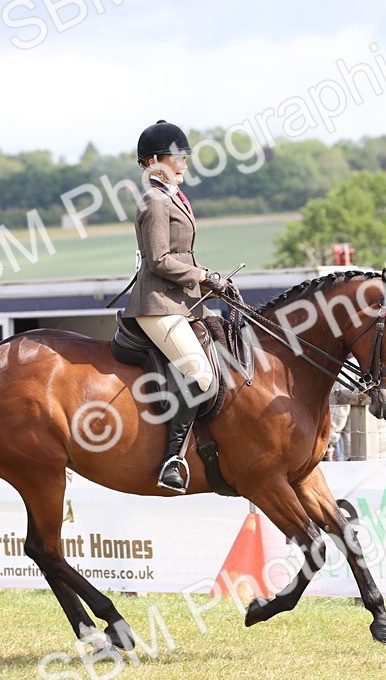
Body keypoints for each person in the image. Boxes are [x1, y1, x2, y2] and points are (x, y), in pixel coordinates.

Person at [123, 120, 228, 493]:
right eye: (177, 157)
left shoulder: (173, 196)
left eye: (185, 157)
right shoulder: (154, 201)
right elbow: (159, 261)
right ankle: (172, 460)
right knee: (201, 375)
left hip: (182, 301)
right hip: (158, 306)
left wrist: (211, 282)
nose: (184, 163)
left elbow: (182, 255)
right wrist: (203, 275)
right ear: (154, 161)